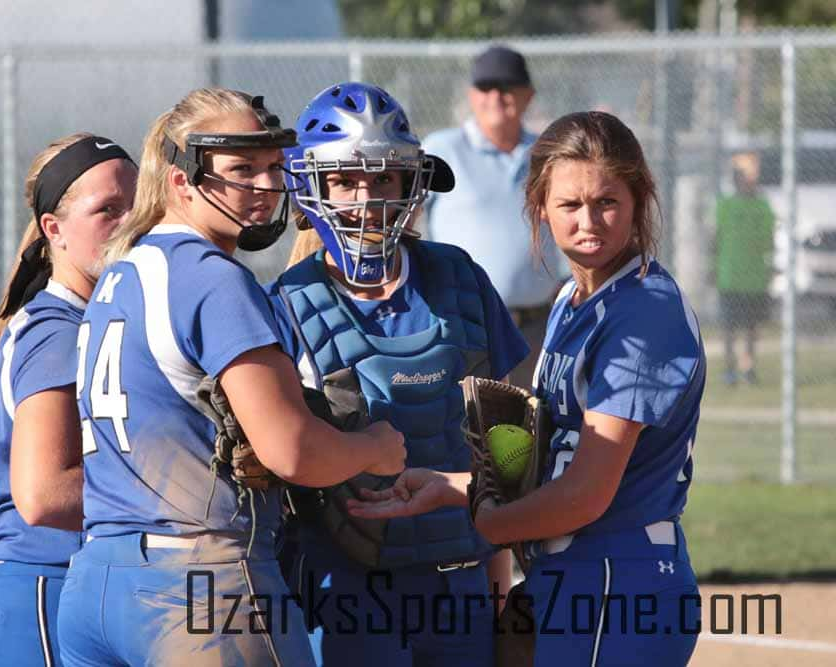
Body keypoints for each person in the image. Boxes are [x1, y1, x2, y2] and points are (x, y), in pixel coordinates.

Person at [55, 88, 406, 667]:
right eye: (241, 168)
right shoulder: (214, 279)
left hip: (98, 581)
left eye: (272, 166)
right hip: (199, 585)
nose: (265, 185)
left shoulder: (121, 273)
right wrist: (374, 449)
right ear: (180, 182)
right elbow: (293, 452)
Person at [349, 111, 706, 667]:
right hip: (574, 575)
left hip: (618, 582)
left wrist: (487, 521)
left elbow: (587, 492)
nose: (589, 221)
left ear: (639, 198)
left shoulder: (643, 313)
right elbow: (559, 461)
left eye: (607, 201)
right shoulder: (574, 299)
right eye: (569, 205)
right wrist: (453, 486)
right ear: (539, 206)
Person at [267, 82, 529, 666]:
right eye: (345, 180)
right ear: (310, 186)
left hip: (459, 580)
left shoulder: (459, 279)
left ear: (412, 181)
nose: (367, 199)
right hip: (345, 588)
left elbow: (500, 446)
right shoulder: (285, 303)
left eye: (384, 178)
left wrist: (499, 588)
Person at [0, 133, 138, 666]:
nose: (130, 223)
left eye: (136, 205)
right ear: (53, 229)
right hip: (38, 597)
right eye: (107, 209)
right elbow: (43, 493)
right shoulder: (57, 329)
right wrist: (173, 488)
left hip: (67, 592)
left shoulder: (101, 320)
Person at [424, 44, 567, 391]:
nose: (496, 97)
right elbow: (407, 215)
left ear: (528, 95)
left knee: (536, 434)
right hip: (464, 325)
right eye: (486, 88)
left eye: (507, 88)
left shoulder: (548, 154)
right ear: (472, 96)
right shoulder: (442, 149)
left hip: (537, 328)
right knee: (465, 434)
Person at [714, 151, 775, 385]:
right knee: (729, 328)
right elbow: (716, 238)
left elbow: (768, 240)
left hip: (754, 278)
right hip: (730, 277)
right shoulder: (725, 205)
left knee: (751, 327)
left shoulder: (762, 206)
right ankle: (730, 369)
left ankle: (748, 367)